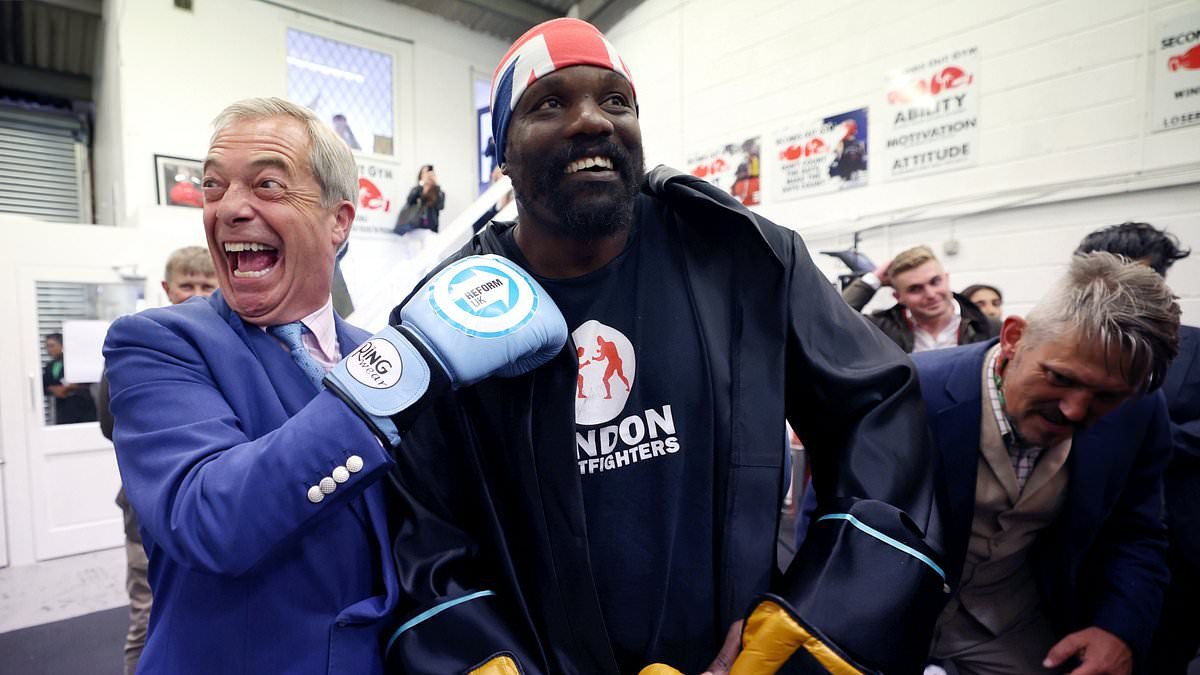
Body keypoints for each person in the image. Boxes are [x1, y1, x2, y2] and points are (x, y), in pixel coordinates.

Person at [382, 18, 943, 675]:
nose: (592, 120)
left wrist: (817, 616)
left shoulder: (744, 259)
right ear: (503, 155)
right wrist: (483, 659)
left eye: (615, 101)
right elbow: (423, 534)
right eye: (550, 103)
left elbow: (878, 415)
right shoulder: (446, 312)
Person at [102, 97, 564, 673]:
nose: (229, 209)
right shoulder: (157, 344)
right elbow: (207, 518)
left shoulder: (374, 346)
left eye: (267, 185)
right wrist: (402, 370)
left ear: (338, 222)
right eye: (214, 187)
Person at [916, 253, 1179, 675]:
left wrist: (1119, 630)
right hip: (892, 617)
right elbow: (837, 515)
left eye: (1107, 396)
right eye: (1060, 378)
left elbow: (1136, 531)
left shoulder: (1140, 412)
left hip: (1014, 625)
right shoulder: (911, 389)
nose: (1075, 411)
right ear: (1014, 337)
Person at [1075, 221, 1199, 674]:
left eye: (1150, 278)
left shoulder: (1198, 348)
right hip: (1084, 541)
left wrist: (1152, 437)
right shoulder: (1061, 347)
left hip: (1178, 545)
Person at [98, 245, 217, 675]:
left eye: (207, 285)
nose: (196, 294)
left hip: (206, 521)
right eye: (187, 285)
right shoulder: (140, 344)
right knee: (146, 620)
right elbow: (112, 426)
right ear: (167, 288)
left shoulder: (223, 347)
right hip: (145, 511)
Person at [844, 245, 997, 353]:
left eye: (935, 281)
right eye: (915, 289)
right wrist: (872, 280)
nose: (930, 294)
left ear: (946, 278)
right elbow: (835, 321)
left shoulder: (988, 327)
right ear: (899, 297)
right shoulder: (882, 330)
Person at [42, 332, 97, 424]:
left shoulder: (77, 363)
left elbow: (89, 381)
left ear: (62, 346)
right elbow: (43, 386)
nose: (48, 350)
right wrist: (53, 390)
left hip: (82, 409)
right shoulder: (49, 366)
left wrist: (69, 388)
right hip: (62, 410)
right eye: (47, 346)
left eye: (51, 346)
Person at [393, 164, 445, 235]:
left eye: (430, 174)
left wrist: (436, 186)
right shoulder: (417, 189)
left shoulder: (439, 192)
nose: (428, 176)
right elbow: (410, 200)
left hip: (430, 229)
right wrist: (422, 184)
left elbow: (440, 206)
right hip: (413, 227)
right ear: (421, 176)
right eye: (425, 173)